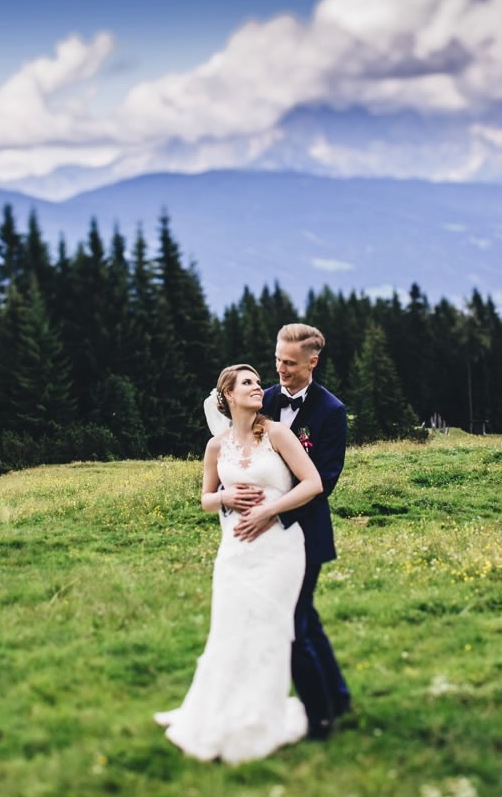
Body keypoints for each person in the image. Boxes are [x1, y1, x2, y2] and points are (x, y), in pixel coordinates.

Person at [155, 363, 324, 764]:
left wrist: (271, 511)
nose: (257, 387)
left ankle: (259, 718)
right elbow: (206, 498)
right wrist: (226, 499)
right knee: (229, 631)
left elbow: (312, 483)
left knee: (268, 629)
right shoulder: (217, 445)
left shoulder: (278, 434)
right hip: (235, 550)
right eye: (246, 383)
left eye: (256, 382)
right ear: (227, 395)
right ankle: (220, 712)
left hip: (279, 547)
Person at [232, 323, 350, 740]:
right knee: (307, 619)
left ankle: (320, 717)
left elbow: (323, 483)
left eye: (290, 363)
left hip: (304, 535)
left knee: (292, 624)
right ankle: (337, 694)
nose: (279, 369)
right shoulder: (260, 401)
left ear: (312, 362)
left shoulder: (331, 412)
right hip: (263, 537)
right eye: (277, 360)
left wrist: (272, 515)